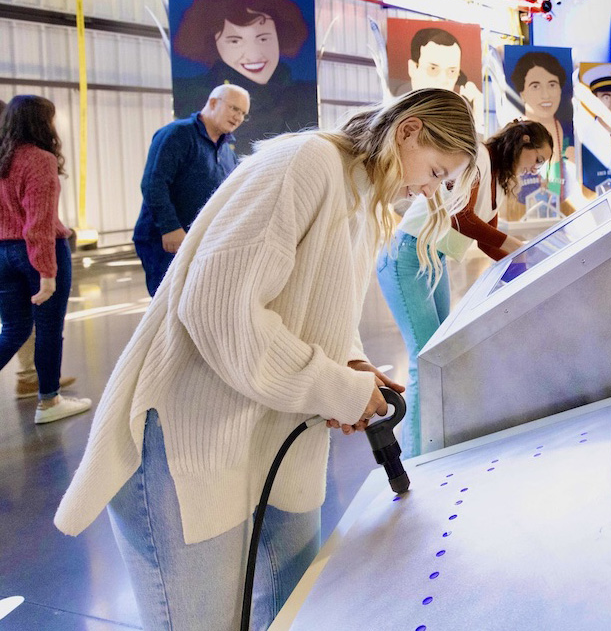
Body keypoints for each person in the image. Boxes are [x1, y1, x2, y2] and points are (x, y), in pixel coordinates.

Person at [55, 89, 479, 631]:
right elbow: (218, 309)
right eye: (436, 170)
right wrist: (337, 389)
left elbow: (315, 309)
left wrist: (349, 365)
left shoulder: (361, 200)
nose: (428, 188)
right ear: (409, 131)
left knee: (291, 610)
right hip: (191, 438)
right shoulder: (310, 164)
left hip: (272, 432)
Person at [378, 119, 552, 457]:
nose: (537, 169)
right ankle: (415, 457)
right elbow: (462, 218)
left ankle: (437, 446)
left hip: (433, 259)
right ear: (524, 142)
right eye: (538, 159)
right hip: (407, 256)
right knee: (424, 359)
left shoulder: (499, 180)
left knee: (440, 355)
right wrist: (516, 244)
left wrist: (527, 260)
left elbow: (488, 242)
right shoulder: (480, 158)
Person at [0, 96, 91, 424]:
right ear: (41, 122)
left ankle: (45, 393)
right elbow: (38, 223)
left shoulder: (3, 158)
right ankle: (49, 402)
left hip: (2, 254)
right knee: (49, 328)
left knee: (12, 329)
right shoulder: (39, 159)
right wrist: (47, 272)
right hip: (36, 252)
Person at [133, 84, 249, 296]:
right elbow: (153, 183)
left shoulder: (227, 151)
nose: (238, 117)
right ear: (213, 103)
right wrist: (170, 228)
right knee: (167, 308)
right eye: (234, 108)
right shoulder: (178, 134)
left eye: (243, 113)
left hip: (200, 243)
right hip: (166, 242)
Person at [171, 0, 317, 150]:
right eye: (235, 41)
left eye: (263, 39)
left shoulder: (303, 96)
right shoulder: (187, 102)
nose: (253, 55)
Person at [509, 51, 578, 209]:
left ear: (561, 89)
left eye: (552, 85)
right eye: (535, 86)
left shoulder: (571, 133)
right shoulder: (513, 138)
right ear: (522, 93)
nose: (546, 94)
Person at [400, 27, 483, 126]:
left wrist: (477, 118)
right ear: (412, 68)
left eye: (452, 71)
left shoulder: (455, 114)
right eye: (433, 69)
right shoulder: (396, 106)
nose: (443, 80)